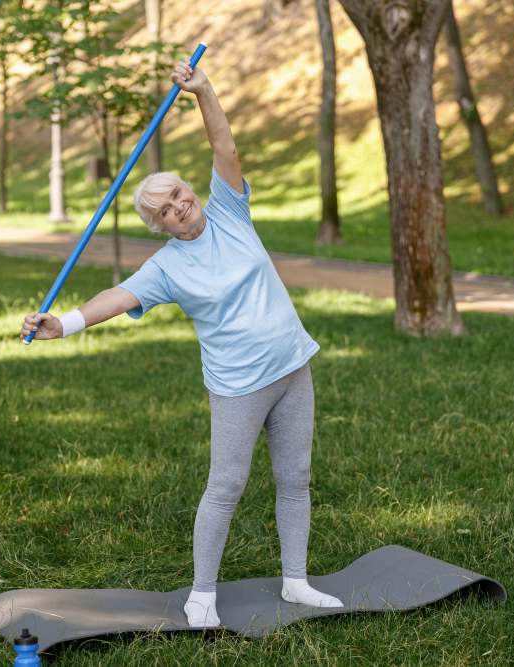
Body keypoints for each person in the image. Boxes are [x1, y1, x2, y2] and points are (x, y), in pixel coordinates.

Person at [19, 60, 343, 627]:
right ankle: (202, 594)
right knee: (226, 486)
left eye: (178, 195)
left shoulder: (231, 212)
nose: (177, 207)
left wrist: (204, 93)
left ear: (192, 191)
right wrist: (63, 323)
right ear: (160, 226)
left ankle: (296, 581)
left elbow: (226, 147)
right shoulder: (165, 268)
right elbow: (114, 298)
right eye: (162, 211)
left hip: (293, 366)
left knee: (296, 479)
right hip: (239, 386)